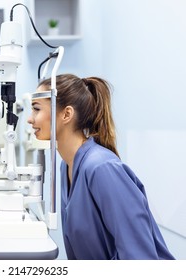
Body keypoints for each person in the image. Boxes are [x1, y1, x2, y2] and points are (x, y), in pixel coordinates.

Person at [27, 74, 175, 260]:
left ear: (66, 114)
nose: (30, 119)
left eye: (36, 109)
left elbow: (140, 258)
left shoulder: (102, 168)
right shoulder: (66, 166)